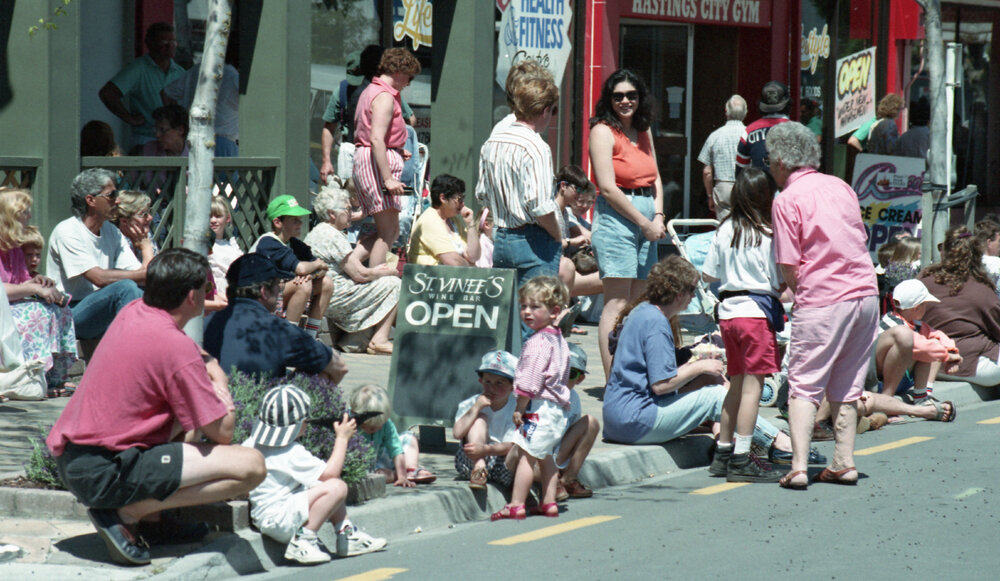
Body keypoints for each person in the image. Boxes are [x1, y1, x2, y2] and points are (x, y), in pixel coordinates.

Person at [46, 248, 267, 566]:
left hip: (77, 460)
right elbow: (223, 432)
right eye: (206, 288)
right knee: (250, 466)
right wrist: (220, 383)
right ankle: (130, 512)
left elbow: (188, 352)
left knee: (183, 425)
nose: (209, 295)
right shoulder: (175, 348)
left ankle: (156, 524)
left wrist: (208, 365)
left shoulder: (135, 310)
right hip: (106, 470)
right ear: (192, 296)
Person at [601, 256, 820, 468]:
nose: (692, 298)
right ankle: (779, 442)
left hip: (618, 418)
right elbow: (661, 385)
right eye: (692, 292)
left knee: (711, 379)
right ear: (679, 294)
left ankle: (723, 442)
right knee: (713, 397)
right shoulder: (656, 324)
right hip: (636, 420)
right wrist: (699, 365)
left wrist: (700, 368)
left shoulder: (642, 312)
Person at [768, 121, 879, 489]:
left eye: (770, 159)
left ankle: (799, 466)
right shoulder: (840, 186)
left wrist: (802, 295)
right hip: (864, 294)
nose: (769, 165)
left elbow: (788, 264)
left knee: (804, 382)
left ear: (782, 160)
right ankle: (844, 462)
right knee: (848, 382)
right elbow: (859, 238)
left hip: (824, 298)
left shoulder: (786, 198)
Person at [701, 168, 784, 483]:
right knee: (754, 387)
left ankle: (723, 452)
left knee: (735, 384)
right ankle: (742, 457)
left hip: (729, 313)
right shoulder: (767, 234)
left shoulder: (724, 229)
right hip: (755, 313)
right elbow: (778, 280)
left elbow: (709, 273)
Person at [244, 385, 386, 564]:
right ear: (299, 424)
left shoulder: (250, 443)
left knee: (319, 485)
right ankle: (304, 540)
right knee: (336, 487)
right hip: (281, 520)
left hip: (268, 517)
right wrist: (342, 438)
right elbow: (331, 474)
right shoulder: (291, 451)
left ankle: (346, 533)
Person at [588, 69, 665, 378]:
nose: (625, 101)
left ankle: (634, 375)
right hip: (618, 218)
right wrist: (643, 222)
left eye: (631, 95)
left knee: (641, 302)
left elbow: (656, 176)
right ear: (609, 99)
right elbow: (607, 187)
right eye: (617, 96)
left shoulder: (643, 132)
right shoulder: (603, 131)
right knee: (617, 301)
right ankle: (613, 380)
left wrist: (657, 216)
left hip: (647, 215)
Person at [476, 60, 563, 290]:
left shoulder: (493, 141)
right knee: (536, 315)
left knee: (509, 317)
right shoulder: (536, 147)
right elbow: (540, 205)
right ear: (544, 110)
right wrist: (557, 235)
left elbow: (483, 194)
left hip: (502, 237)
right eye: (553, 111)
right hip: (533, 239)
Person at [492, 276, 572, 520]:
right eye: (524, 306)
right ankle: (548, 502)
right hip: (557, 409)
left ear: (554, 311)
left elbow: (529, 380)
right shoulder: (558, 339)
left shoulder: (537, 343)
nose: (527, 312)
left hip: (540, 407)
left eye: (535, 307)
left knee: (527, 454)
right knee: (546, 456)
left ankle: (516, 503)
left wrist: (520, 407)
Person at [203, 253, 347, 383]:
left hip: (213, 405)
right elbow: (340, 367)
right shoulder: (277, 329)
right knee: (322, 374)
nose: (280, 290)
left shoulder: (205, 325)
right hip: (262, 408)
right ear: (264, 292)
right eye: (278, 285)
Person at [303, 180, 400, 355]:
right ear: (332, 214)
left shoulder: (320, 230)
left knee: (384, 285)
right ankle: (380, 340)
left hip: (331, 292)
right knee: (393, 283)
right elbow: (360, 275)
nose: (351, 213)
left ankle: (354, 342)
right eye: (347, 210)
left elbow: (351, 261)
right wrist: (383, 272)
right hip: (338, 295)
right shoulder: (332, 235)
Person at [46, 168, 145, 340]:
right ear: (91, 200)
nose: (118, 200)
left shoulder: (111, 231)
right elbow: (98, 278)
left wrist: (146, 246)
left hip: (102, 310)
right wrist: (150, 274)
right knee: (126, 288)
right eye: (111, 195)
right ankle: (134, 348)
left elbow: (142, 275)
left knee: (152, 293)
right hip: (70, 313)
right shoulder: (67, 231)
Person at [0, 189, 77, 397]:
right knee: (36, 312)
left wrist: (38, 282)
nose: (29, 216)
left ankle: (53, 377)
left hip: (11, 309)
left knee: (60, 310)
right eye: (25, 212)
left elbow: (20, 283)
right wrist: (31, 288)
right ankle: (26, 376)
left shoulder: (14, 249)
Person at [351, 48, 422, 268]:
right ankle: (375, 277)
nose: (408, 83)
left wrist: (397, 151)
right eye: (409, 77)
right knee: (388, 231)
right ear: (399, 71)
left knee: (390, 230)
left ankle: (352, 262)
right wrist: (388, 178)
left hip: (371, 161)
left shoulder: (372, 91)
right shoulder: (384, 96)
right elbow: (376, 139)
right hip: (376, 166)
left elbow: (379, 137)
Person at [919, 226, 1000, 386]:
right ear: (977, 256)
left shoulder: (922, 281)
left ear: (944, 252)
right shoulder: (981, 288)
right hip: (973, 365)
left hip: (927, 364)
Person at [251, 195, 334, 338]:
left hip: (277, 294)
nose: (300, 223)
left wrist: (313, 272)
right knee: (303, 285)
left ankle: (309, 338)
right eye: (294, 220)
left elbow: (323, 267)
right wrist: (315, 266)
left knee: (327, 283)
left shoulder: (294, 243)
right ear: (277, 222)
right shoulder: (268, 242)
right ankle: (289, 340)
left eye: (300, 219)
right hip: (258, 300)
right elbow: (301, 268)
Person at [98, 22, 184, 150]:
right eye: (164, 42)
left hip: (173, 140)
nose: (170, 46)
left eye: (173, 42)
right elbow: (108, 93)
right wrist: (129, 118)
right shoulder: (138, 68)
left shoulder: (180, 72)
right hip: (146, 138)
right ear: (150, 44)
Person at [453, 350, 520, 490]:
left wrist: (484, 449)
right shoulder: (471, 403)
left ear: (512, 386)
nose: (492, 388)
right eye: (487, 381)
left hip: (502, 463)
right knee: (479, 419)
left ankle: (520, 486)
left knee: (519, 447)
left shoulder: (516, 409)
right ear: (480, 381)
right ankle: (479, 470)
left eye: (499, 383)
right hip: (471, 461)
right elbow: (457, 433)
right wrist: (476, 408)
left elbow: (509, 445)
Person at [350, 384, 436, 486]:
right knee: (378, 475)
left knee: (409, 437)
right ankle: (394, 475)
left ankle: (411, 469)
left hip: (382, 456)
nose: (377, 429)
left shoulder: (386, 424)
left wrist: (402, 478)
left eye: (380, 424)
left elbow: (396, 449)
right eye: (371, 427)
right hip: (365, 465)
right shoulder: (349, 423)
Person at [162, 45, 240, 157]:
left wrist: (179, 123)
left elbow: (166, 93)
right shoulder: (233, 76)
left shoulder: (199, 69)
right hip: (223, 141)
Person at [555, 343, 599, 499]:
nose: (563, 378)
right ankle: (550, 479)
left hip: (557, 454)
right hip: (539, 455)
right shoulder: (540, 393)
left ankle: (568, 478)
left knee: (591, 422)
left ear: (580, 379)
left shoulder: (574, 399)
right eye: (559, 370)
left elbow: (572, 432)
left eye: (570, 373)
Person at [408, 174, 481, 266]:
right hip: (429, 278)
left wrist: (470, 224)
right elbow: (452, 261)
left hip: (451, 278)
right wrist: (472, 267)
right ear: (443, 198)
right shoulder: (430, 221)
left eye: (463, 198)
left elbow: (474, 256)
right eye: (459, 199)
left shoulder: (454, 221)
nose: (463, 203)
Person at [697, 94, 747, 219]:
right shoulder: (749, 134)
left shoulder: (715, 136)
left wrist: (709, 195)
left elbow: (707, 172)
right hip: (745, 186)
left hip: (723, 187)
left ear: (726, 112)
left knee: (725, 227)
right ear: (745, 112)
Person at [735, 81, 791, 177]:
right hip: (789, 188)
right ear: (787, 104)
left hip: (759, 189)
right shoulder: (798, 131)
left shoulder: (749, 131)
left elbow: (741, 171)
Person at [208, 195, 243, 299]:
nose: (213, 220)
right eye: (209, 216)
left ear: (227, 218)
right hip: (216, 295)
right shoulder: (205, 247)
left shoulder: (231, 245)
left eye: (218, 216)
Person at [113, 190, 156, 267]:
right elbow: (150, 274)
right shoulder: (116, 241)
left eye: (149, 212)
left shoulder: (144, 233)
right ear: (124, 221)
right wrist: (146, 247)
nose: (150, 218)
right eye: (143, 214)